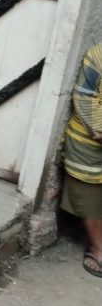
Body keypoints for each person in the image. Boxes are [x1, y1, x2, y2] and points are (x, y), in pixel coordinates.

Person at [61, 43, 102, 278]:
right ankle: (98, 249)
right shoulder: (98, 56)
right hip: (90, 140)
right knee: (88, 196)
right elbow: (84, 97)